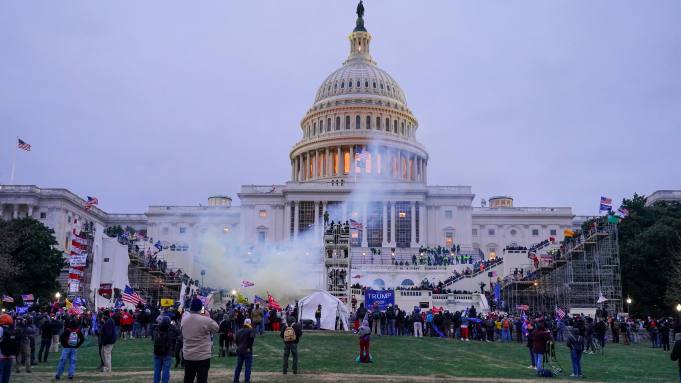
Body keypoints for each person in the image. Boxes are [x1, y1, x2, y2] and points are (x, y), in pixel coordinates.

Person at [181, 297, 219, 383]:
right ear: (200, 308)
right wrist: (207, 316)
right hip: (202, 356)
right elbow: (217, 328)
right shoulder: (206, 320)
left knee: (188, 379)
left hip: (188, 355)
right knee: (202, 380)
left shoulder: (184, 320)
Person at [153, 316, 179, 383]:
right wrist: (173, 326)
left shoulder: (157, 329)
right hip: (167, 352)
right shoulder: (171, 330)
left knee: (157, 370)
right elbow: (178, 333)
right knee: (166, 370)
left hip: (157, 352)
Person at [233, 318, 255, 383]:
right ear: (250, 323)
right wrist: (249, 347)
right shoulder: (251, 330)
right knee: (248, 367)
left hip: (239, 350)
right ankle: (247, 381)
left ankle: (235, 380)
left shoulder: (238, 331)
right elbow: (252, 339)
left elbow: (236, 341)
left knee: (238, 367)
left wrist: (239, 346)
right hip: (247, 350)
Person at [0, 314, 18, 383]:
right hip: (10, 356)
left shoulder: (0, 329)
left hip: (1, 356)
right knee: (6, 377)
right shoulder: (12, 329)